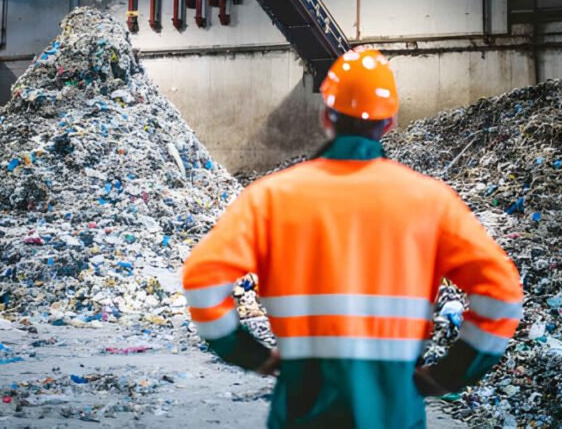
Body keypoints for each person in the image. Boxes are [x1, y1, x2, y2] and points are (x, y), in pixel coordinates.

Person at [181, 48, 524, 428]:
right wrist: (450, 374)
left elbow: (202, 279)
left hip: (301, 410)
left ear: (326, 115)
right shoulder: (431, 201)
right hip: (393, 412)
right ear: (389, 122)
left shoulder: (271, 197)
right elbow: (502, 294)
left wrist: (249, 354)